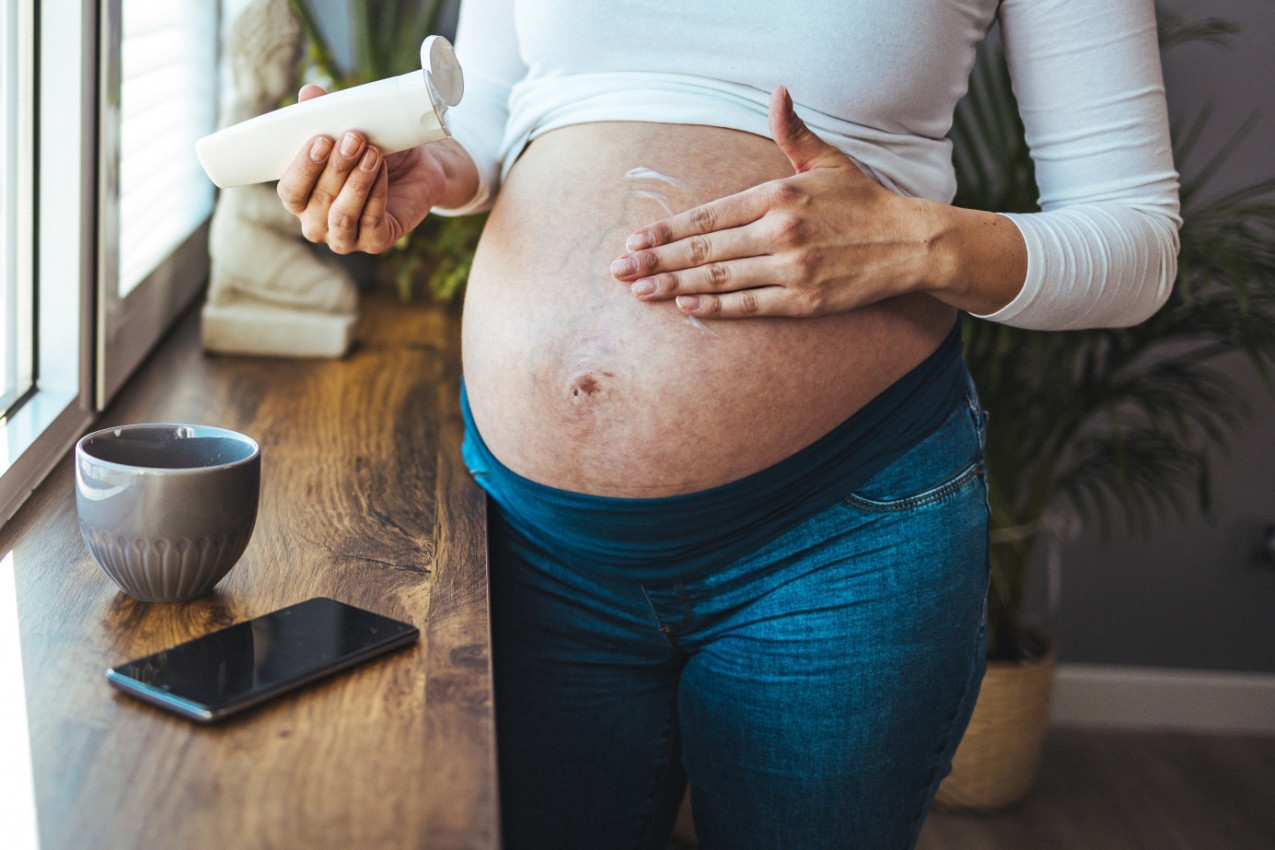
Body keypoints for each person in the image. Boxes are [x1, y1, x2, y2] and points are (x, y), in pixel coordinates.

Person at [275, 1, 1180, 847]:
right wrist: (428, 167)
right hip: (532, 538)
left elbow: (1136, 241)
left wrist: (915, 241)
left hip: (836, 544)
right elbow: (499, 109)